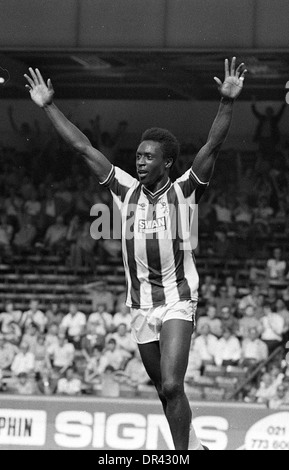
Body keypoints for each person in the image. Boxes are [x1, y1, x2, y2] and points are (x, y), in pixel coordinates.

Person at [25, 58, 247, 450]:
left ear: (166, 162)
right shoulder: (124, 189)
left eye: (148, 157)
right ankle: (195, 447)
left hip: (177, 298)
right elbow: (82, 146)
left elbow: (213, 145)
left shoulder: (184, 191)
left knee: (173, 382)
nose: (139, 161)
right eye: (139, 156)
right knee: (165, 392)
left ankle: (182, 456)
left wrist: (227, 102)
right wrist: (47, 106)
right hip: (140, 306)